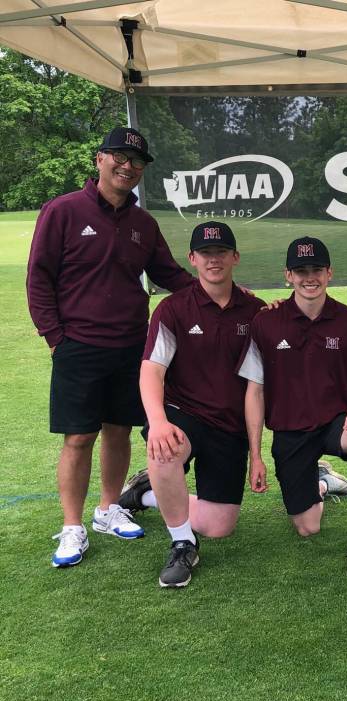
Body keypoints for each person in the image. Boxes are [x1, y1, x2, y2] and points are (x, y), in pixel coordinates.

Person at [27, 126, 194, 568]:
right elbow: (39, 277)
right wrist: (55, 337)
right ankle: (72, 526)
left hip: (130, 345)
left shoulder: (144, 224)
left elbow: (169, 274)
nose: (128, 166)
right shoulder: (62, 211)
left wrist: (228, 298)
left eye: (137, 162)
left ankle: (107, 510)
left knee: (118, 430)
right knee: (79, 436)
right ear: (99, 159)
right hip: (77, 345)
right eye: (119, 157)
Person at [123, 222, 264, 587]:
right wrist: (157, 421)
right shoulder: (172, 309)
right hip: (184, 414)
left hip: (229, 425)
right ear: (192, 259)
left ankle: (148, 493)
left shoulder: (256, 310)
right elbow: (151, 370)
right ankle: (183, 543)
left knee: (220, 527)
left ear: (234, 257)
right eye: (205, 253)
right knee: (165, 448)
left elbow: (262, 380)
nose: (213, 260)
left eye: (221, 253)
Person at [238, 236, 347, 576]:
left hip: (337, 422)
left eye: (316, 269)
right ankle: (320, 481)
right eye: (301, 270)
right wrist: (256, 456)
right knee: (308, 527)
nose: (310, 278)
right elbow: (254, 392)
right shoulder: (266, 322)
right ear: (288, 275)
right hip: (291, 429)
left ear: (329, 273)